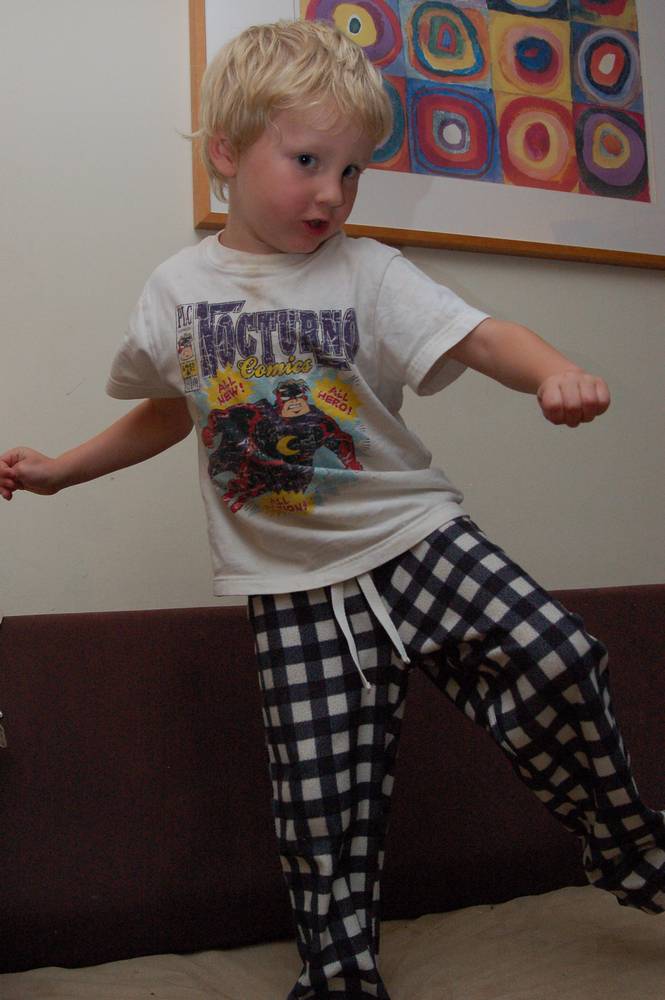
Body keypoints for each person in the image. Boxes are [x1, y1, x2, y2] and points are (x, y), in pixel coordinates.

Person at [1, 19, 663, 1000]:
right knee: (320, 802)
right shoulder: (175, 293)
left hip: (412, 537)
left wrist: (551, 371)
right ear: (227, 152)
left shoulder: (367, 271)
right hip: (292, 582)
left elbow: (480, 335)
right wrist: (61, 471)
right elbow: (169, 410)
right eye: (307, 161)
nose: (331, 193)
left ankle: (627, 848)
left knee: (557, 655)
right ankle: (339, 974)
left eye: (351, 171)